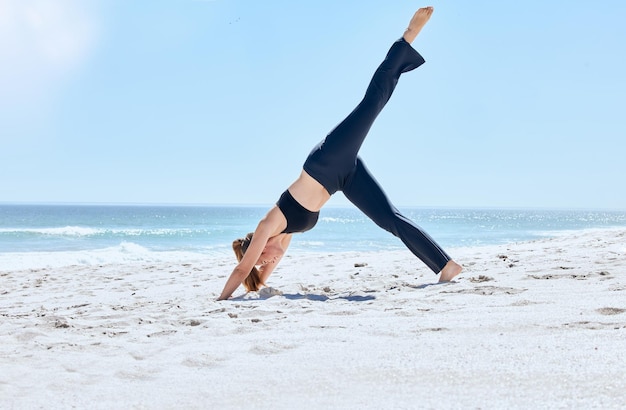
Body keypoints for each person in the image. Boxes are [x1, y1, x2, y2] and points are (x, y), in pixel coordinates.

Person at [217, 6, 462, 301]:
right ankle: (446, 265)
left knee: (371, 103)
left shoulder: (268, 225)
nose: (265, 261)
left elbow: (243, 269)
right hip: (343, 178)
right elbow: (255, 276)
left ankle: (408, 36)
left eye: (261, 257)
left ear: (258, 244)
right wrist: (257, 283)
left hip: (326, 160)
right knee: (389, 218)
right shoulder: (281, 243)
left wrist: (220, 300)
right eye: (263, 263)